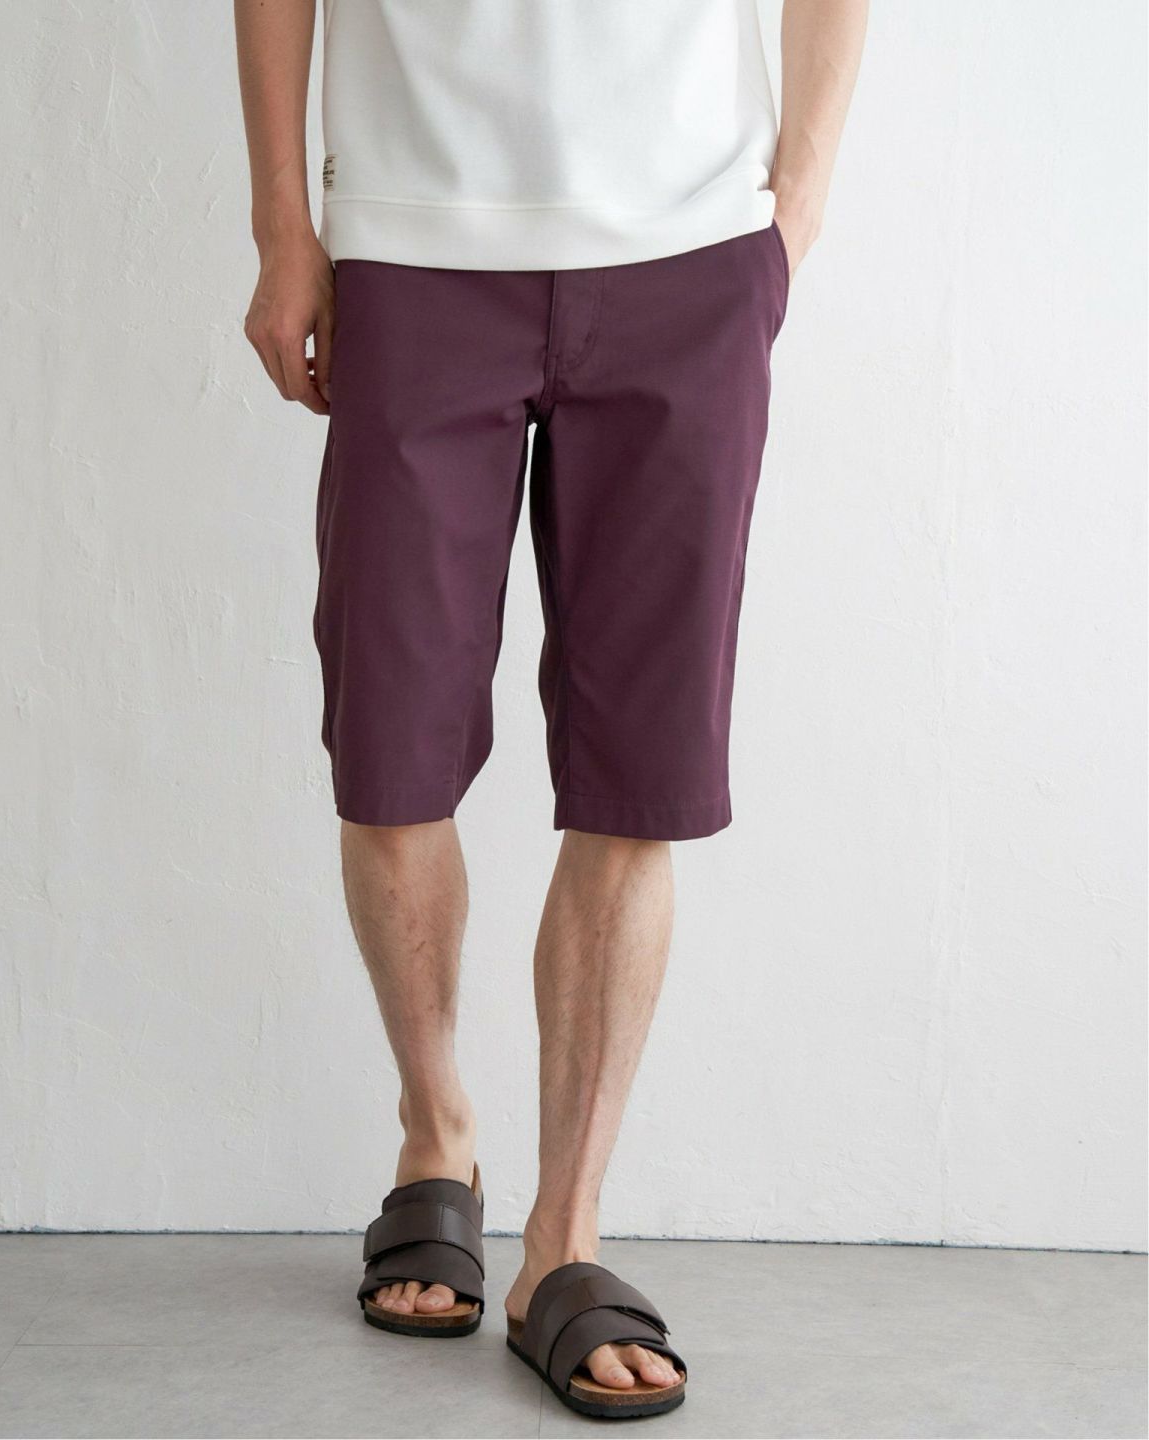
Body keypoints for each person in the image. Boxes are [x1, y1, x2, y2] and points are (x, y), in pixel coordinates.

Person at [235, 0, 866, 1419]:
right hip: (413, 240)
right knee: (389, 754)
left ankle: (561, 1240)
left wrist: (795, 206)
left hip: (689, 248)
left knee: (642, 777)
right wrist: (284, 226)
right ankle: (437, 1129)